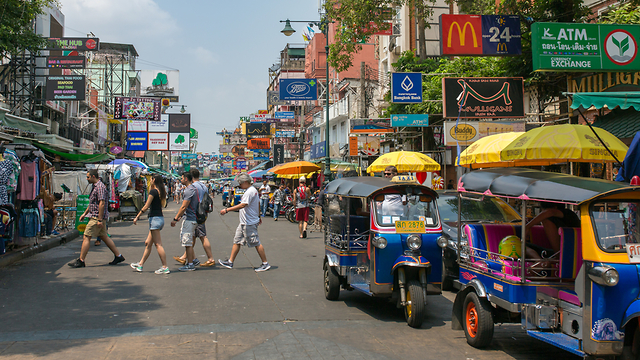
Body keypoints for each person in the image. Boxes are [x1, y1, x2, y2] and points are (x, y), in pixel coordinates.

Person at [68, 169, 125, 268]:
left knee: (86, 236)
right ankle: (118, 256)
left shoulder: (100, 187)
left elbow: (101, 204)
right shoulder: (95, 187)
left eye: (88, 177)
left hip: (96, 217)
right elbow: (92, 203)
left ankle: (81, 260)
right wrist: (85, 214)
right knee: (104, 237)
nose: (87, 179)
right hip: (95, 215)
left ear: (93, 177)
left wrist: (99, 220)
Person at [218, 173, 270, 272]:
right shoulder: (252, 190)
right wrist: (258, 216)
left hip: (249, 222)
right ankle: (230, 261)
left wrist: (227, 210)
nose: (240, 186)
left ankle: (265, 263)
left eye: (241, 184)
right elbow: (258, 203)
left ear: (246, 182)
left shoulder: (250, 191)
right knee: (237, 241)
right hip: (244, 222)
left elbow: (243, 205)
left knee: (256, 242)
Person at [174, 169, 215, 267]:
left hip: (195, 214)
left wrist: (178, 216)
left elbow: (188, 203)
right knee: (192, 236)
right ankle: (187, 257)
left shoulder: (193, 187)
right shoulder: (203, 186)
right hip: (201, 213)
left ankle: (210, 258)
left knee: (201, 236)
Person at [130, 175, 170, 274]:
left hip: (155, 219)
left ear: (154, 180)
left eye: (151, 179)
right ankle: (140, 264)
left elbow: (146, 205)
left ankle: (165, 266)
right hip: (159, 219)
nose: (150, 181)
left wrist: (137, 216)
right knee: (148, 243)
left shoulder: (153, 191)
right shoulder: (161, 191)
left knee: (158, 245)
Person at [170, 171, 199, 272]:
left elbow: (184, 206)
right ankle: (193, 260)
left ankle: (190, 264)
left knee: (188, 242)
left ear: (186, 179)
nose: (181, 180)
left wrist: (175, 219)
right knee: (188, 242)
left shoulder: (189, 190)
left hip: (190, 219)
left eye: (182, 178)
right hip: (194, 218)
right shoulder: (194, 189)